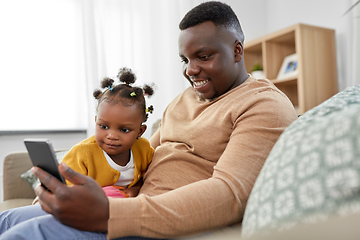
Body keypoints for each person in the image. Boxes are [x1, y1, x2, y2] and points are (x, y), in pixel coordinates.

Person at [0, 1, 298, 240]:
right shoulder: (185, 100)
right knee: (8, 219)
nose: (191, 71)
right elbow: (139, 155)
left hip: (161, 223)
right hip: (129, 205)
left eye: (203, 56)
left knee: (27, 234)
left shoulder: (263, 104)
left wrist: (110, 214)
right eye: (185, 60)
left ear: (236, 51)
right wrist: (72, 187)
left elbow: (231, 194)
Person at [62, 67, 155, 198]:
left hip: (126, 211)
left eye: (124, 130)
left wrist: (136, 189)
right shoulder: (82, 153)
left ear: (140, 131)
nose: (111, 136)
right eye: (104, 126)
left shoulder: (144, 150)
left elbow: (151, 176)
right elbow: (65, 189)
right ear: (96, 122)